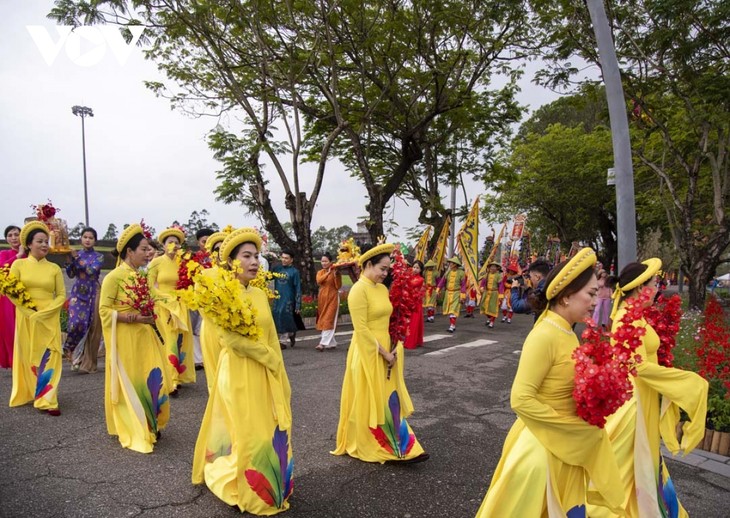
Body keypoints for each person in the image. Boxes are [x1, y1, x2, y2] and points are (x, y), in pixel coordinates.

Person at [476, 248, 624, 517]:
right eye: (591, 293)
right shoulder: (544, 334)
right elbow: (520, 399)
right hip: (542, 451)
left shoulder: (566, 331)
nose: (598, 300)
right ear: (566, 296)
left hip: (565, 448)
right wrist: (575, 431)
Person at [588, 259, 708, 517]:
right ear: (640, 288)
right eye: (654, 284)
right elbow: (636, 366)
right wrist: (686, 381)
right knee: (623, 466)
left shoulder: (634, 317)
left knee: (639, 465)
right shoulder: (625, 320)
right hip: (633, 405)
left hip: (642, 399)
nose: (657, 289)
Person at [192, 227, 293, 514]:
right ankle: (248, 491)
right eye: (246, 256)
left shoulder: (260, 294)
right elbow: (229, 339)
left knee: (270, 428)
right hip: (238, 371)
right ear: (231, 261)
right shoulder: (223, 293)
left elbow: (271, 335)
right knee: (249, 432)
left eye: (256, 256)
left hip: (266, 370)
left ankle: (271, 485)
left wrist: (280, 371)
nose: (253, 262)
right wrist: (267, 357)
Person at [332, 243, 428, 463]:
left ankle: (402, 445)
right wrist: (384, 353)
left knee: (388, 397)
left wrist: (395, 345)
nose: (385, 274)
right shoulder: (358, 290)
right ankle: (374, 443)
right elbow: (361, 329)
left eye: (388, 270)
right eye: (382, 269)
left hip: (388, 347)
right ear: (368, 265)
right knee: (369, 398)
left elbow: (390, 320)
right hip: (368, 351)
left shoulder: (382, 289)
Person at [100, 223, 171, 453]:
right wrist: (135, 317)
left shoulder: (141, 276)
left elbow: (154, 298)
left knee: (151, 376)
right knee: (133, 379)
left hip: (146, 336)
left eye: (148, 249)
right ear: (129, 252)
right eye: (143, 249)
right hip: (126, 338)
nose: (147, 253)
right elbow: (104, 311)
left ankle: (152, 421)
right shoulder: (114, 277)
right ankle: (137, 423)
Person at [8, 221, 66, 416]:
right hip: (27, 317)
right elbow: (10, 291)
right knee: (29, 355)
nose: (44, 245)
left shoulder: (54, 268)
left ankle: (48, 398)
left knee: (50, 355)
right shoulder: (19, 264)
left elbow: (61, 295)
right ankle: (33, 390)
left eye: (46, 241)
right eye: (39, 241)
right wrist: (30, 313)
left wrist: (47, 312)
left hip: (48, 317)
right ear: (29, 244)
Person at [149, 226, 196, 393]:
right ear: (163, 245)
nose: (174, 245)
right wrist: (166, 300)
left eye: (177, 243)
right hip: (163, 307)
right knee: (169, 340)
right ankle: (170, 379)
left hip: (180, 306)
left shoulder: (184, 263)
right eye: (170, 242)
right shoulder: (156, 262)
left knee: (181, 341)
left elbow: (190, 283)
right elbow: (149, 286)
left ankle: (178, 375)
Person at [63, 227, 104, 367]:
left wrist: (76, 258)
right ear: (81, 239)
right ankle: (68, 347)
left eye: (90, 238)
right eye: (85, 237)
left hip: (93, 293)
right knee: (76, 323)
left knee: (90, 326)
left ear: (95, 241)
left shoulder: (98, 257)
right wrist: (69, 261)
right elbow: (70, 274)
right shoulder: (77, 254)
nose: (87, 240)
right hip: (78, 293)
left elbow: (91, 270)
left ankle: (84, 359)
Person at [198, 230, 228, 393]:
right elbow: (204, 307)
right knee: (216, 375)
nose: (221, 253)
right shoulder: (204, 275)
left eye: (225, 248)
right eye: (217, 249)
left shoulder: (239, 275)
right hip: (212, 329)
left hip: (237, 332)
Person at [190, 228, 214, 371]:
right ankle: (198, 359)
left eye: (208, 241)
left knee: (205, 325)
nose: (206, 244)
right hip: (195, 296)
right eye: (203, 241)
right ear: (198, 242)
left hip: (211, 296)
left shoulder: (217, 258)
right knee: (194, 327)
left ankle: (207, 356)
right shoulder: (193, 258)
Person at [0, 224, 23, 368]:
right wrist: (18, 256)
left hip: (25, 296)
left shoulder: (31, 253)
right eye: (10, 235)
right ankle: (15, 361)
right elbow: (2, 269)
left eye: (16, 234)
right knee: (11, 329)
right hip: (8, 298)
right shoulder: (4, 254)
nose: (14, 238)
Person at [272, 250, 302, 349]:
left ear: (291, 260)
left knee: (283, 315)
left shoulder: (294, 272)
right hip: (277, 297)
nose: (284, 260)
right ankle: (291, 333)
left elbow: (298, 288)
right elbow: (267, 277)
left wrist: (298, 304)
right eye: (283, 257)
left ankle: (283, 341)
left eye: (286, 258)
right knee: (276, 314)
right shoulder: (277, 269)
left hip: (288, 298)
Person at [315, 252, 342, 351]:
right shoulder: (320, 272)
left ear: (331, 262)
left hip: (333, 298)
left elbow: (338, 286)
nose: (324, 263)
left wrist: (336, 275)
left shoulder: (335, 272)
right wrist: (328, 273)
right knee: (324, 319)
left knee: (329, 319)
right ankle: (331, 343)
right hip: (322, 298)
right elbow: (319, 281)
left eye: (326, 261)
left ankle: (322, 343)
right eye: (322, 261)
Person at [437, 256, 465, 333]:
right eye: (450, 263)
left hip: (456, 293)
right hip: (448, 293)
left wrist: (462, 296)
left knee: (453, 310)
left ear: (455, 264)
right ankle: (452, 325)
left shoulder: (461, 273)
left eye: (451, 263)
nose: (450, 264)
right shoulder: (448, 272)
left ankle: (452, 326)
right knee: (449, 310)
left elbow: (463, 285)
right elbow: (442, 282)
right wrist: (438, 290)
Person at [403, 260, 425, 349]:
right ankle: (412, 340)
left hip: (416, 303)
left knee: (414, 323)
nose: (415, 269)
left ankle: (411, 342)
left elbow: (411, 285)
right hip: (408, 302)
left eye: (417, 268)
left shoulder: (420, 279)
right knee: (407, 322)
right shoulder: (410, 276)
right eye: (414, 267)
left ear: (421, 270)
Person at [479, 261, 502, 328]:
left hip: (494, 294)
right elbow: (482, 283)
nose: (492, 268)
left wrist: (500, 295)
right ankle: (489, 318)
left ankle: (492, 322)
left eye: (494, 267)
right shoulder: (486, 275)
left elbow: (500, 286)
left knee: (493, 308)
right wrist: (482, 288)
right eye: (491, 266)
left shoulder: (498, 276)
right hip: (486, 293)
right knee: (484, 307)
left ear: (497, 268)